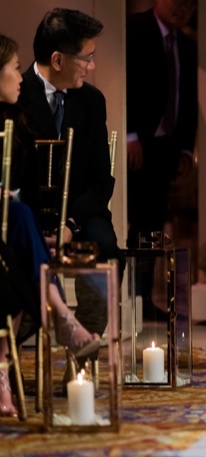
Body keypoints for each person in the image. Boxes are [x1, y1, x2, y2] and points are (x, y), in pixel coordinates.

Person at [0, 32, 106, 417]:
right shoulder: (21, 106)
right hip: (18, 219)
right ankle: (63, 318)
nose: (20, 77)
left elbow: (101, 180)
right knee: (23, 220)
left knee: (87, 239)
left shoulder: (21, 116)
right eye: (13, 70)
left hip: (60, 217)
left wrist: (69, 223)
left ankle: (64, 331)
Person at [16, 8, 118, 258]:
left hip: (79, 215)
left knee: (105, 245)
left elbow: (101, 181)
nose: (92, 66)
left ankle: (99, 299)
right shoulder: (16, 97)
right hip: (31, 213)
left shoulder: (92, 102)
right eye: (87, 57)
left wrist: (70, 224)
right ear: (58, 60)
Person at [125, 0, 198, 302]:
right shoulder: (134, 30)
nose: (182, 8)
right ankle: (129, 297)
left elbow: (188, 98)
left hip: (166, 148)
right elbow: (126, 84)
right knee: (132, 220)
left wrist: (184, 147)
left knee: (151, 225)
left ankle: (142, 298)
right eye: (177, 1)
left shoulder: (187, 44)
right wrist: (130, 134)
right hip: (137, 143)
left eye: (190, 4)